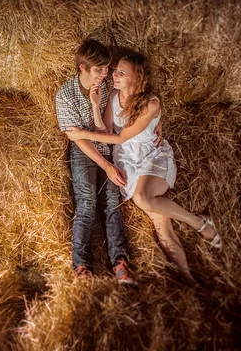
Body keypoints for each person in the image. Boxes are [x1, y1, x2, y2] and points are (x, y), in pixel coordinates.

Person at [66, 51, 222, 286]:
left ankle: (200, 223)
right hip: (127, 161)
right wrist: (96, 107)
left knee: (142, 198)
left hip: (152, 157)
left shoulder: (151, 103)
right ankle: (190, 281)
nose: (113, 76)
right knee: (161, 224)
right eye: (114, 71)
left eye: (120, 72)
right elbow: (107, 133)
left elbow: (121, 137)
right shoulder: (113, 97)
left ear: (136, 78)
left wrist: (80, 134)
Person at [56, 39, 160, 286]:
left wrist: (159, 123)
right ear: (82, 68)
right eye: (99, 69)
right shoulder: (64, 96)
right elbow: (78, 140)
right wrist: (106, 165)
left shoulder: (108, 90)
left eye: (108, 68)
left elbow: (137, 105)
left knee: (112, 202)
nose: (106, 73)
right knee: (87, 202)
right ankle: (81, 265)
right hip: (85, 151)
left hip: (110, 147)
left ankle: (121, 263)